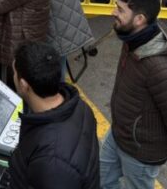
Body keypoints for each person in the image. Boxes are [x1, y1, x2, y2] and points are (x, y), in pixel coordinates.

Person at [100, 0, 167, 189]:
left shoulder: (160, 68)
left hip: (140, 153)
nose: (113, 12)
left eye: (120, 10)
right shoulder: (131, 37)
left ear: (140, 19)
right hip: (118, 134)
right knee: (101, 180)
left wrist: (151, 147)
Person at [9, 41, 100, 189]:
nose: (13, 76)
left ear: (24, 85)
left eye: (14, 72)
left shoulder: (52, 163)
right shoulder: (79, 106)